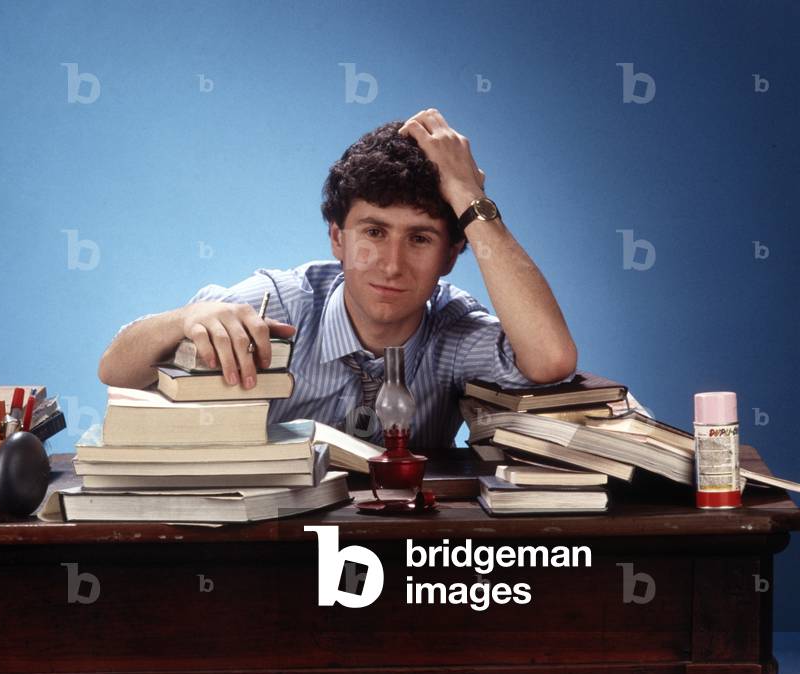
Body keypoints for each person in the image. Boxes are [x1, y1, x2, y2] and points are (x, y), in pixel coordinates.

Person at [98, 108, 577, 447]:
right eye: (373, 231)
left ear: (452, 254)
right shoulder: (277, 304)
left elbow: (551, 358)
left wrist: (468, 197)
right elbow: (115, 370)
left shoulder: (453, 331)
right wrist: (185, 318)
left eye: (420, 239)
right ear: (337, 238)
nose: (391, 264)